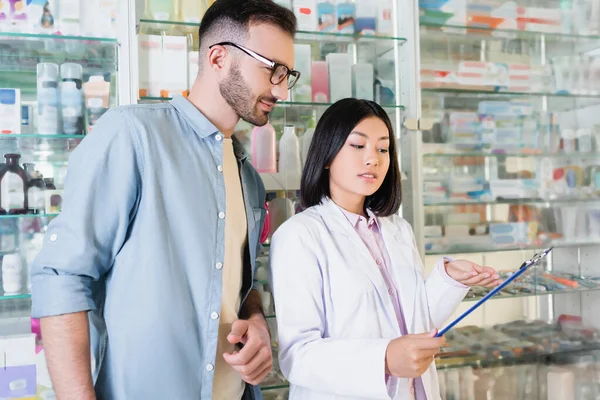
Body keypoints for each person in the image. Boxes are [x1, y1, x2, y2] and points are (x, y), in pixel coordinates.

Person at [30, 1, 299, 399]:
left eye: (287, 75)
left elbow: (235, 286)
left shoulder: (248, 176)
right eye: (271, 69)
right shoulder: (132, 137)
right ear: (219, 57)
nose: (280, 89)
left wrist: (255, 318)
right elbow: (62, 278)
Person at [269, 98, 502, 400]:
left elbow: (416, 322)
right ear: (327, 155)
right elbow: (297, 356)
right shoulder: (300, 235)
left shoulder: (398, 230)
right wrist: (384, 358)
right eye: (357, 146)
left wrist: (450, 279)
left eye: (382, 148)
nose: (373, 159)